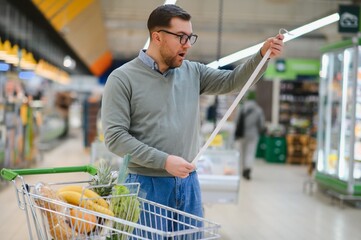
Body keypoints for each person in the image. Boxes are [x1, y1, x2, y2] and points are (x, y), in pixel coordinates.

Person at [101, 4, 283, 222]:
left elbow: (232, 82)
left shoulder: (192, 72)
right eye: (180, 37)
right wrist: (164, 161)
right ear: (157, 37)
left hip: (188, 184)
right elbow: (115, 138)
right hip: (145, 185)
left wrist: (261, 55)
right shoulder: (122, 79)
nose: (187, 45)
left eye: (190, 37)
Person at [234, 91, 265, 180]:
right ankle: (247, 169)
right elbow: (261, 124)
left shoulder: (242, 108)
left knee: (242, 152)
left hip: (242, 134)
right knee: (250, 152)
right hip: (253, 135)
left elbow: (236, 121)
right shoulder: (258, 109)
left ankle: (242, 169)